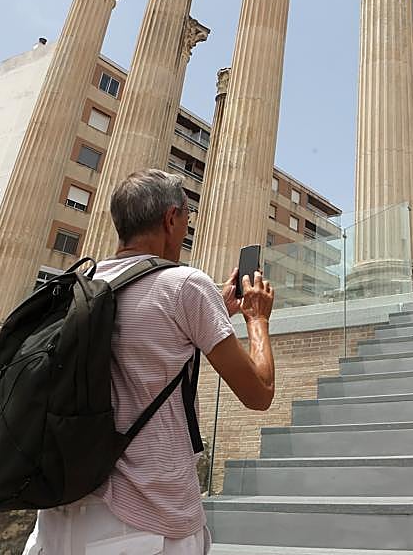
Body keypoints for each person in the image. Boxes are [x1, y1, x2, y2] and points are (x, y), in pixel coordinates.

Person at [23, 169, 275, 554]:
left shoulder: (79, 284)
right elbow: (259, 393)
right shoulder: (185, 285)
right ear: (171, 219)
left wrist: (213, 312)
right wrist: (256, 318)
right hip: (145, 523)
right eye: (186, 223)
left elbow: (143, 340)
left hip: (55, 518)